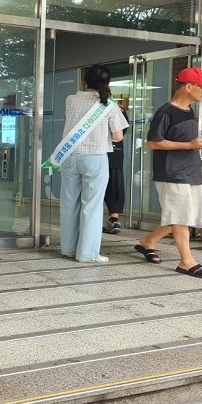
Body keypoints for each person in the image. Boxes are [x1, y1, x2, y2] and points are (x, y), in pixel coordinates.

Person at [133, 67, 202, 279]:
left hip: (191, 172)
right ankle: (186, 261)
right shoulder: (165, 112)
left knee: (183, 216)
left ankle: (148, 242)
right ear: (188, 86)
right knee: (180, 218)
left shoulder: (190, 111)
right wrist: (189, 145)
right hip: (172, 173)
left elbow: (185, 143)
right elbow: (154, 143)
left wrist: (195, 145)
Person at [52, 65, 129, 263]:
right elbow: (118, 136)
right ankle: (87, 253)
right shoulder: (109, 106)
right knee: (92, 206)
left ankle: (68, 249)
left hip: (70, 155)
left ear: (85, 82)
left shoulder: (71, 99)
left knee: (69, 204)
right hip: (95, 157)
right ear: (107, 84)